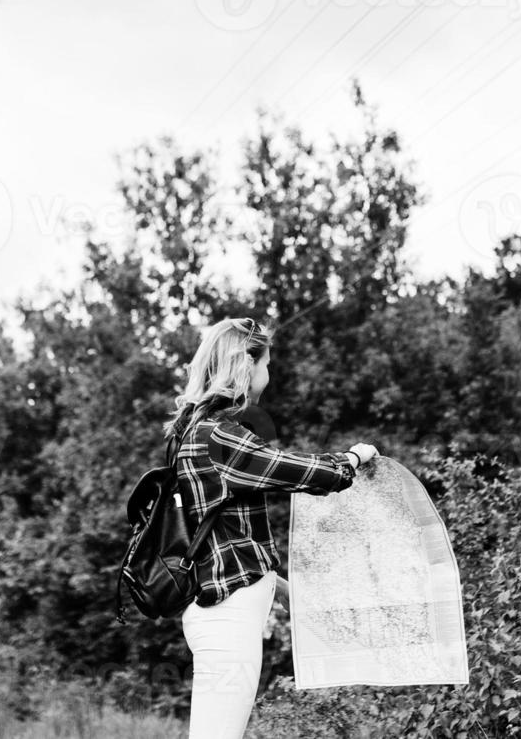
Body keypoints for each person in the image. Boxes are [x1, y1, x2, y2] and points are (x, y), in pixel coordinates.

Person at [161, 316, 379, 739]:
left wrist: (274, 585)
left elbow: (223, 537)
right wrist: (354, 458)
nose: (269, 374)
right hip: (226, 622)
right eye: (266, 363)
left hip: (224, 614)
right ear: (246, 365)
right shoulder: (218, 436)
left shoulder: (198, 431)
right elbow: (301, 471)